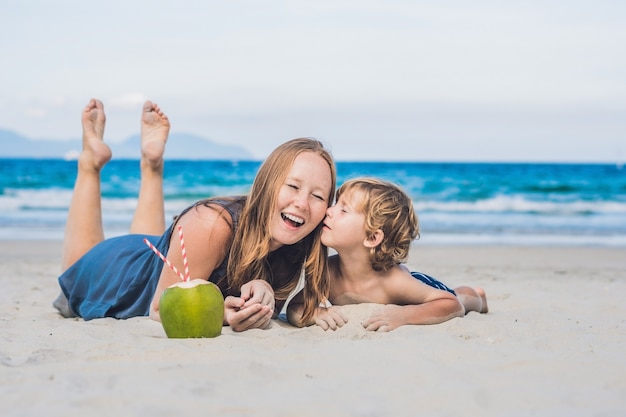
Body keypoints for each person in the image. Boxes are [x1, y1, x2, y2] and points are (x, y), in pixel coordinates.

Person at [53, 98, 336, 332]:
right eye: (293, 186)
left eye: (318, 196)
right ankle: (90, 162)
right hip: (117, 275)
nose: (302, 203)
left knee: (157, 250)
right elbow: (157, 309)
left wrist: (263, 291)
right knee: (73, 274)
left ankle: (152, 165)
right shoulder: (211, 223)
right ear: (266, 185)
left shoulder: (298, 242)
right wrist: (221, 315)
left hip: (155, 259)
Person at [287, 177, 488, 332]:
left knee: (461, 297)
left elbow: (450, 305)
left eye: (343, 210)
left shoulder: (394, 281)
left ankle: (478, 295)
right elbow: (295, 307)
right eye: (335, 204)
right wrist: (316, 313)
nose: (329, 211)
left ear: (373, 237)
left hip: (418, 286)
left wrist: (404, 315)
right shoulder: (328, 272)